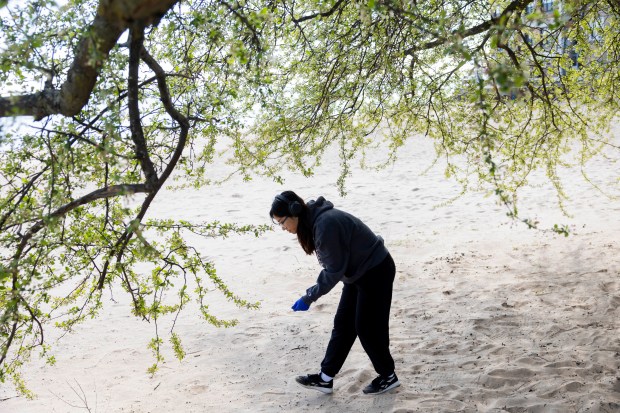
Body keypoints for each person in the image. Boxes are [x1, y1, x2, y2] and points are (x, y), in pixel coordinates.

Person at [269, 191, 400, 395]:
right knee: (343, 325)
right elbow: (337, 267)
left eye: (282, 222)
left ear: (294, 212)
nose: (283, 228)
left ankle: (388, 377)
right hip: (357, 274)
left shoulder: (324, 225)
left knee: (367, 327)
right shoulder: (314, 222)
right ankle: (325, 378)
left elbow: (333, 270)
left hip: (376, 271)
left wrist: (309, 296)